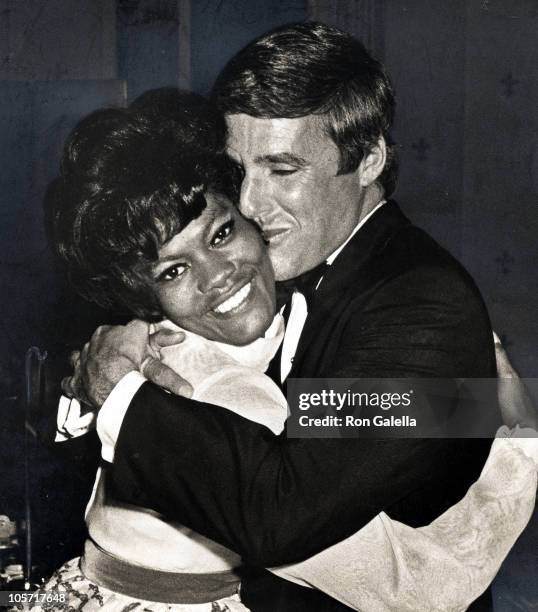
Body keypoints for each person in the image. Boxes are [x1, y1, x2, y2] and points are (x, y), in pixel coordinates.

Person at [64, 24, 535, 611]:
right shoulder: (287, 272)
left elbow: (286, 509)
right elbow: (348, 414)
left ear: (368, 160)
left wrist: (119, 395)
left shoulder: (416, 301)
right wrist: (474, 405)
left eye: (283, 171)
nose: (253, 205)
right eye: (240, 172)